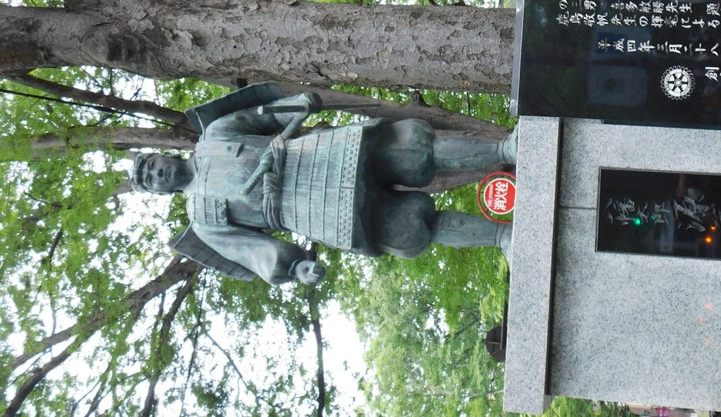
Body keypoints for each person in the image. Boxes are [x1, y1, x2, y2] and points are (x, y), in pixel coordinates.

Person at [130, 83, 514, 285]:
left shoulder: (213, 135)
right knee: (413, 228)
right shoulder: (202, 220)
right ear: (157, 194)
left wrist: (298, 103)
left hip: (321, 154)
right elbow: (252, 251)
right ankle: (501, 237)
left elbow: (262, 116)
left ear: (160, 153)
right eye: (149, 181)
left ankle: (504, 148)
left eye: (150, 164)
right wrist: (295, 266)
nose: (155, 173)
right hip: (317, 213)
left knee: (415, 151)